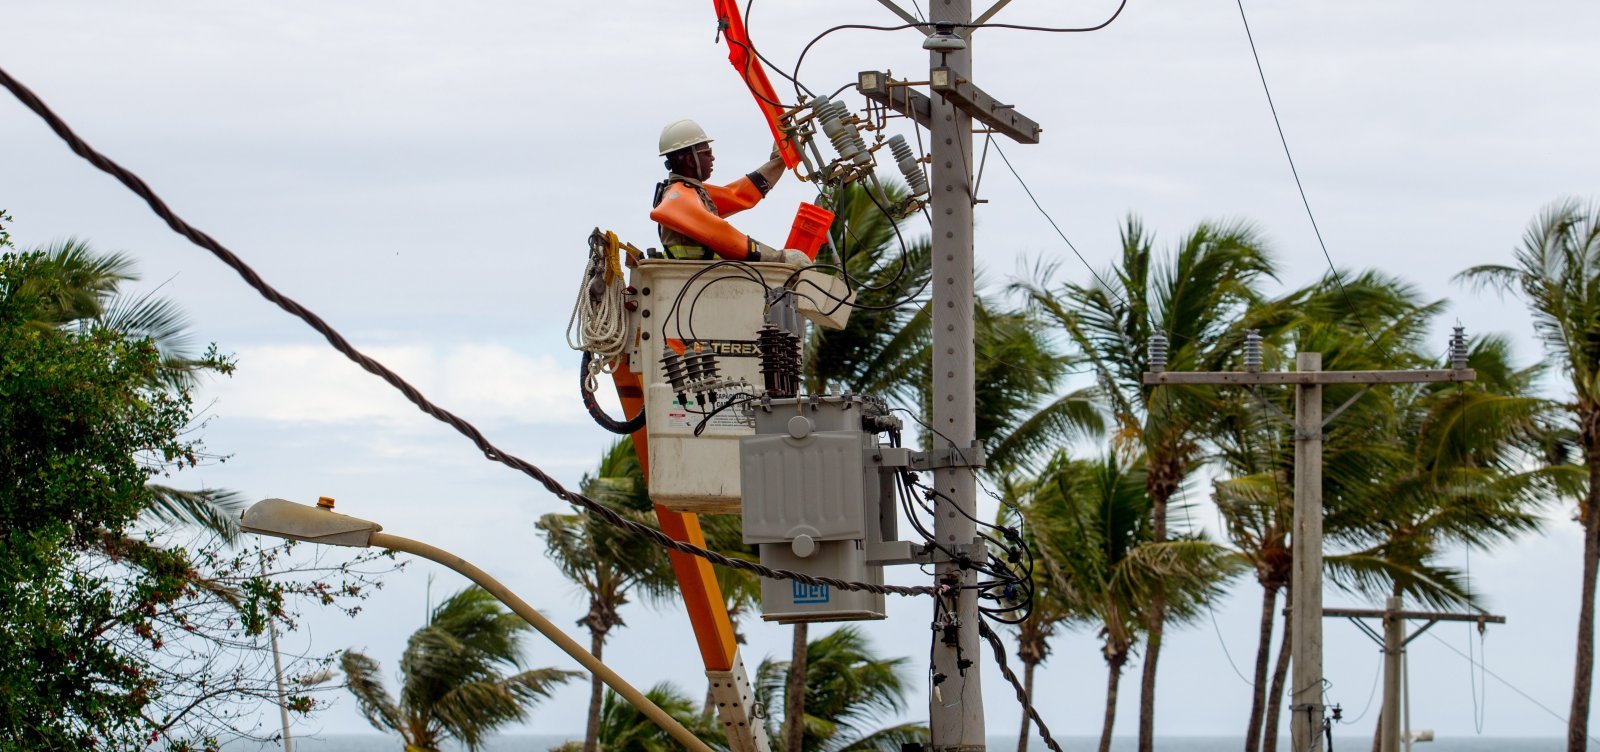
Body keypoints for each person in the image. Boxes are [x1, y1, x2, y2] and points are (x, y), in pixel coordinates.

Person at [650, 119, 810, 265]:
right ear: (690, 160)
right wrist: (778, 257)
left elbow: (738, 195)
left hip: (702, 279)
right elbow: (720, 233)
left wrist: (779, 161)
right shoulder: (679, 198)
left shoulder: (692, 192)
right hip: (694, 281)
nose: (712, 158)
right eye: (707, 153)